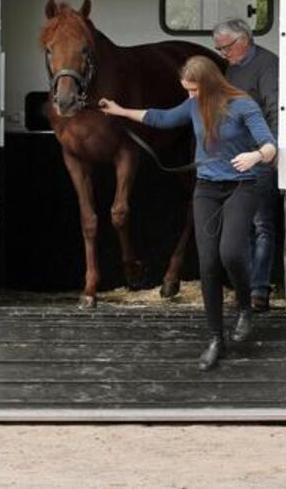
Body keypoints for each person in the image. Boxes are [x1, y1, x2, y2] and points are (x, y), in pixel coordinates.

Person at [99, 55, 277, 371]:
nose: (190, 96)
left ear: (210, 83)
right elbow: (162, 118)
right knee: (207, 263)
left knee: (231, 254)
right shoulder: (194, 104)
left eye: (194, 89)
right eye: (187, 90)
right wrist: (120, 111)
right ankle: (216, 338)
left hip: (241, 186)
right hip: (207, 188)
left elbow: (270, 145)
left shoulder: (242, 105)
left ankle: (245, 308)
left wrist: (255, 156)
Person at [212, 19, 280, 311]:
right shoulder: (233, 67)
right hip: (235, 155)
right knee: (242, 226)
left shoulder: (267, 65)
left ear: (243, 40)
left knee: (261, 224)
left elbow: (275, 108)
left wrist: (272, 151)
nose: (223, 53)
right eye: (219, 49)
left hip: (259, 154)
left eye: (226, 47)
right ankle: (245, 288)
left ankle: (259, 290)